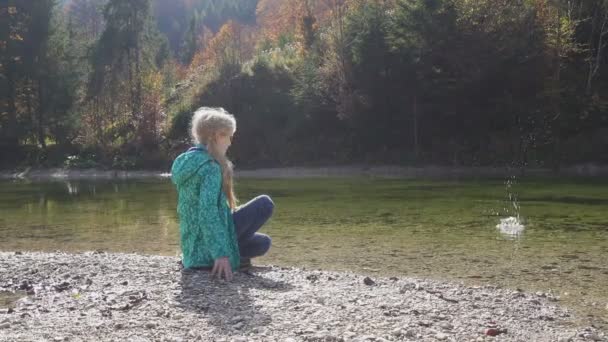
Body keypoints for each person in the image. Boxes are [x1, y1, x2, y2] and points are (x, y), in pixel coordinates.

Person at [171, 107, 273, 281]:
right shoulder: (210, 167)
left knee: (262, 242)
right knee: (264, 204)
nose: (230, 143)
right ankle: (220, 261)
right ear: (215, 136)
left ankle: (227, 259)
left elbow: (204, 211)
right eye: (228, 136)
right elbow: (207, 212)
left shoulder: (186, 162)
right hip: (207, 249)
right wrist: (221, 254)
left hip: (193, 250)